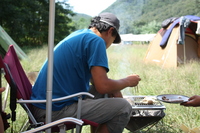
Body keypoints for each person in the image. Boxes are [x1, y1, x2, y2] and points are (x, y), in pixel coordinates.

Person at [31, 12, 141, 133]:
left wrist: (114, 90)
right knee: (123, 107)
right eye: (113, 40)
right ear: (110, 31)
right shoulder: (97, 41)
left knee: (105, 94)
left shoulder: (81, 35)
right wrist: (128, 81)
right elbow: (103, 86)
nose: (109, 45)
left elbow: (97, 81)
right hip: (53, 111)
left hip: (43, 105)